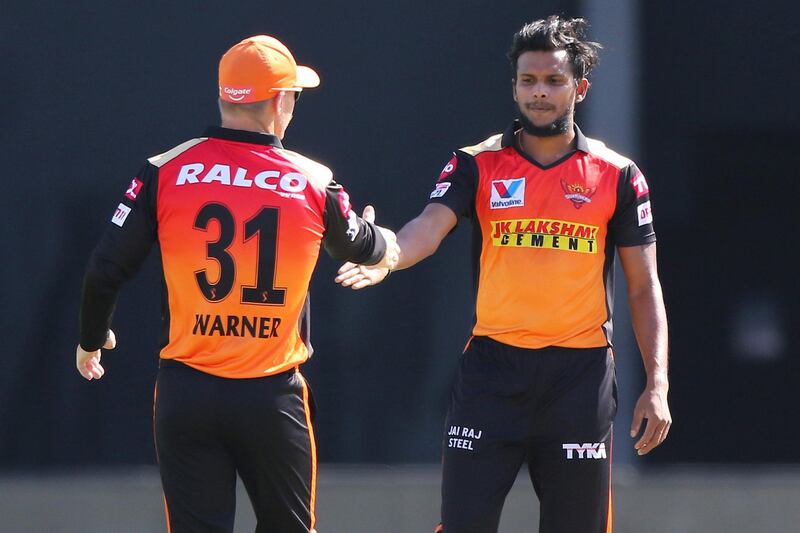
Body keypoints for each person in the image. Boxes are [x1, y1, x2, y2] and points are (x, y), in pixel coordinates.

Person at [336, 15, 670, 533]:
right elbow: (430, 225)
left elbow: (643, 285)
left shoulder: (617, 174)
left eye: (554, 81)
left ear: (579, 88)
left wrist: (657, 382)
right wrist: (390, 255)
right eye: (528, 81)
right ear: (513, 86)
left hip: (578, 380)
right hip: (492, 373)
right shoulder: (477, 163)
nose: (540, 93)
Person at [76, 35, 399, 533]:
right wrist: (384, 240)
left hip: (187, 390)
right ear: (281, 101)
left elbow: (104, 270)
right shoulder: (312, 179)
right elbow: (361, 246)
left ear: (225, 97)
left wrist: (91, 339)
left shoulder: (166, 169)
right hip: (271, 394)